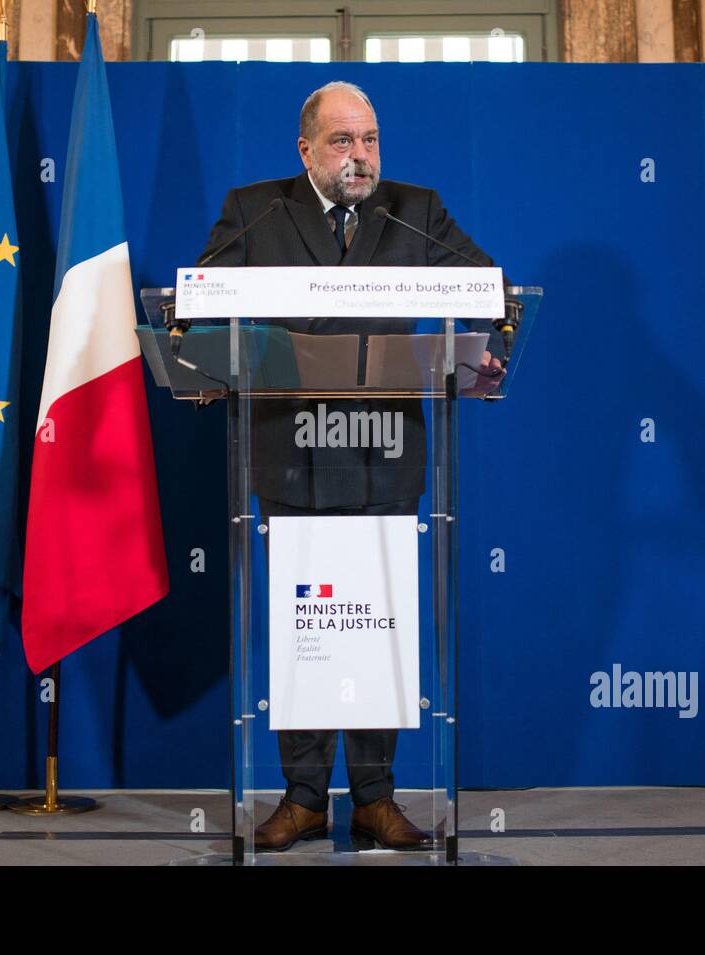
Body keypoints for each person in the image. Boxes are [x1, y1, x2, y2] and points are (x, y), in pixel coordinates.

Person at [195, 80, 502, 851]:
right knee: (306, 627)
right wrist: (201, 358)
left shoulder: (415, 207)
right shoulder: (255, 208)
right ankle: (301, 797)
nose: (360, 155)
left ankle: (375, 798)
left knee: (375, 627)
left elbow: (488, 284)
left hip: (384, 455)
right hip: (290, 452)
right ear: (306, 151)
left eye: (369, 139)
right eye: (342, 141)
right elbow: (199, 304)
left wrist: (494, 341)